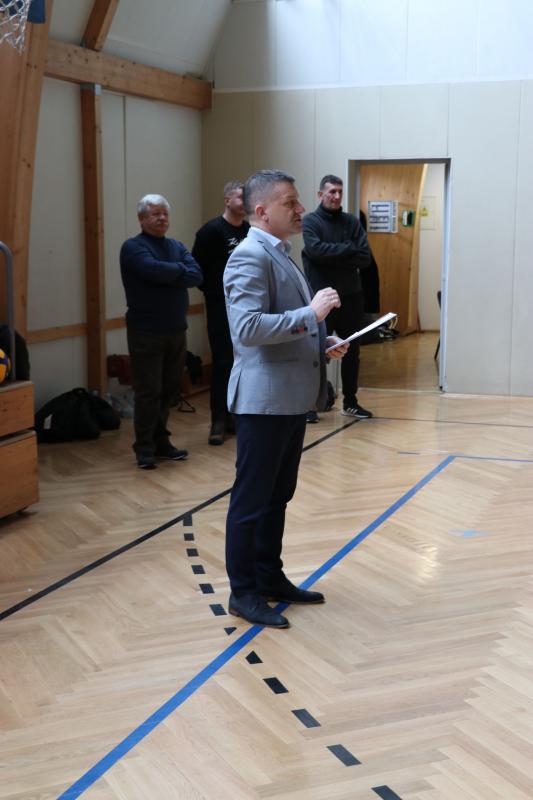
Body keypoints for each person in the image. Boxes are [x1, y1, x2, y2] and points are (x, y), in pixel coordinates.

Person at [223, 169, 349, 628]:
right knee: (252, 501)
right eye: (290, 203)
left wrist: (322, 340)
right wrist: (311, 315)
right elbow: (248, 328)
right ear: (261, 211)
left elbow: (288, 323)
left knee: (278, 496)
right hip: (264, 401)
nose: (300, 210)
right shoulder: (248, 256)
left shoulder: (281, 252)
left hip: (290, 399)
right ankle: (243, 592)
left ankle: (269, 577)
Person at [120, 194, 203, 470]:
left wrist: (170, 273)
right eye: (155, 214)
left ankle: (161, 442)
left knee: (169, 390)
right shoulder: (133, 247)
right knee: (149, 391)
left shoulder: (175, 246)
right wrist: (179, 270)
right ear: (141, 219)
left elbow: (196, 275)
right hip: (146, 332)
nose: (162, 218)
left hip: (176, 329)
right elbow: (151, 270)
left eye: (165, 214)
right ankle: (144, 448)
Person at [302, 175, 373, 419]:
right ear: (320, 194)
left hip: (351, 296)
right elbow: (315, 252)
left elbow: (365, 258)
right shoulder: (310, 221)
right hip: (322, 299)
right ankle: (310, 405)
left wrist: (330, 256)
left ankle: (350, 402)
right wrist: (348, 249)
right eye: (332, 191)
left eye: (340, 192)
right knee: (317, 351)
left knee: (352, 350)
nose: (336, 196)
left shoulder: (351, 222)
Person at [192, 181, 250, 445]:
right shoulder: (211, 231)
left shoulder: (249, 231)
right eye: (240, 197)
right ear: (227, 200)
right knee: (223, 362)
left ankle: (235, 416)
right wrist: (217, 293)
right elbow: (197, 270)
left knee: (244, 362)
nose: (245, 202)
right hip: (220, 307)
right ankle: (218, 419)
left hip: (246, 307)